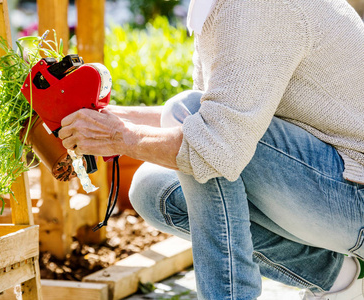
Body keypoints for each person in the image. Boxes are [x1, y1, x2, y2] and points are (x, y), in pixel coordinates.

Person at [58, 0, 364, 299]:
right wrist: (99, 121)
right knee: (155, 188)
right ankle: (345, 279)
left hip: (356, 199)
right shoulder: (217, 7)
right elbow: (214, 107)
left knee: (199, 131)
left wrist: (119, 137)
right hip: (337, 194)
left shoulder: (253, 6)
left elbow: (213, 138)